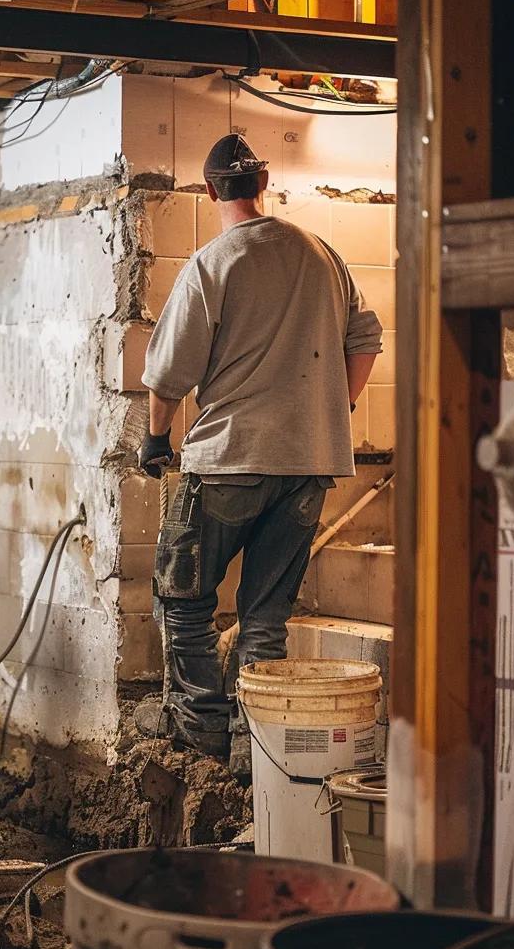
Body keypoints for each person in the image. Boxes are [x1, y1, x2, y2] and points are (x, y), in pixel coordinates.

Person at [137, 135, 382, 774]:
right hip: (308, 465)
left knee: (185, 600)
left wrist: (156, 439)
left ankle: (202, 741)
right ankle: (258, 755)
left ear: (210, 190)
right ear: (263, 185)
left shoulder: (213, 263)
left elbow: (167, 376)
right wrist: (335, 408)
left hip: (229, 460)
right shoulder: (322, 254)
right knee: (266, 619)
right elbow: (366, 337)